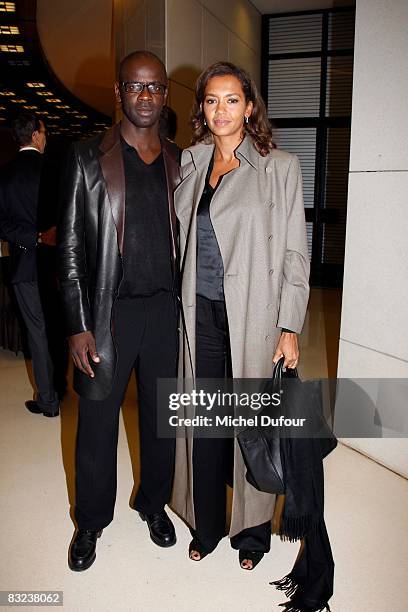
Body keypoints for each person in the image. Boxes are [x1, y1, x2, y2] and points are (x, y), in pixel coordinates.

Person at [171, 62, 310, 569]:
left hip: (254, 315)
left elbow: (296, 250)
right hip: (200, 313)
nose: (221, 110)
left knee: (250, 426)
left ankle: (252, 534)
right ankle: (206, 523)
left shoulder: (280, 166)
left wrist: (289, 324)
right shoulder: (191, 162)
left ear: (250, 107)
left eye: (232, 99)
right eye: (211, 100)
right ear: (201, 108)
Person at [58, 50, 181, 571]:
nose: (146, 96)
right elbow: (67, 251)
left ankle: (153, 505)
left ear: (165, 95)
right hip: (108, 315)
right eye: (136, 86)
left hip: (165, 315)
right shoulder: (88, 160)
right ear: (119, 92)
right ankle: (90, 521)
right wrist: (78, 325)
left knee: (161, 422)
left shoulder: (182, 161)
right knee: (97, 424)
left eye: (154, 88)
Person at [0, 113, 60, 417]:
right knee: (62, 328)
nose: (46, 137)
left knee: (37, 333)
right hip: (59, 266)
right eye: (45, 131)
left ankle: (49, 400)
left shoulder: (5, 175)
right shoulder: (56, 171)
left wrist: (32, 237)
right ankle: (64, 390)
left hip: (25, 265)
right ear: (35, 135)